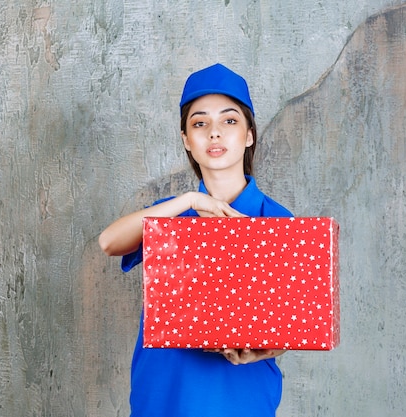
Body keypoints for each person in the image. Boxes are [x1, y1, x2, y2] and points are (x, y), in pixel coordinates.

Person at [99, 63, 293, 417]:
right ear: (187, 140)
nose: (214, 133)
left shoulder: (277, 221)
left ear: (250, 134)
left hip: (239, 394)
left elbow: (289, 328)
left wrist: (266, 350)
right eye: (200, 123)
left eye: (229, 121)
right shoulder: (169, 216)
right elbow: (109, 242)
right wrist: (189, 201)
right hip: (163, 391)